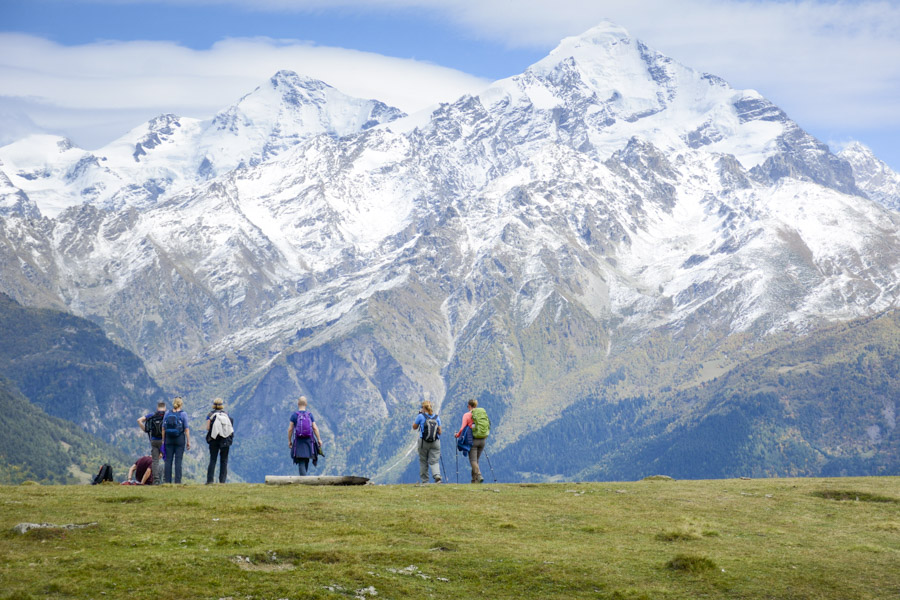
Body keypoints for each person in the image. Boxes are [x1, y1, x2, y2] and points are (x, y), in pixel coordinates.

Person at [455, 398, 489, 483]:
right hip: (482, 439)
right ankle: (474, 480)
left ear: (469, 406)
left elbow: (462, 428)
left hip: (473, 440)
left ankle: (479, 474)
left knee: (473, 460)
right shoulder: (481, 414)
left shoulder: (466, 415)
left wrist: (457, 435)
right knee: (476, 460)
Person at [288, 396, 323, 476]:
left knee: (301, 461)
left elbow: (290, 429)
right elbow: (314, 428)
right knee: (306, 459)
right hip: (309, 440)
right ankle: (304, 480)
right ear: (306, 404)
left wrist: (289, 441)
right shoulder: (310, 415)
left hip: (299, 441)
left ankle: (303, 481)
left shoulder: (294, 415)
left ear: (298, 404)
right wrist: (319, 439)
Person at [205, 398, 234, 484]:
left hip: (214, 439)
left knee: (213, 459)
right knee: (224, 460)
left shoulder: (210, 415)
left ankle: (210, 480)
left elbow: (207, 428)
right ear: (222, 405)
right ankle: (222, 481)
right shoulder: (226, 415)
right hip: (225, 439)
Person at [137, 401, 167, 485]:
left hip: (153, 440)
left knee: (155, 461)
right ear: (165, 408)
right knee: (166, 460)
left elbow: (139, 420)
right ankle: (165, 480)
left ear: (157, 408)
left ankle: (156, 480)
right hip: (163, 441)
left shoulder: (152, 415)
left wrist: (145, 430)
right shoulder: (166, 415)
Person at [413, 400, 442, 484]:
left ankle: (425, 481)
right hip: (435, 442)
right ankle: (437, 476)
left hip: (423, 442)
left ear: (423, 408)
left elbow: (414, 427)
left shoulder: (420, 416)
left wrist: (419, 415)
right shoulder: (437, 417)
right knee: (434, 461)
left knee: (423, 461)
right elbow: (440, 432)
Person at [163, 396, 190, 483]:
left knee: (168, 461)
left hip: (169, 439)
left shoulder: (167, 413)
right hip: (179, 439)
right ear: (181, 404)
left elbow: (163, 428)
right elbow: (186, 429)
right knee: (178, 461)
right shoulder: (183, 414)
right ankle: (177, 481)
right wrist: (188, 441)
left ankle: (167, 481)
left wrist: (163, 440)